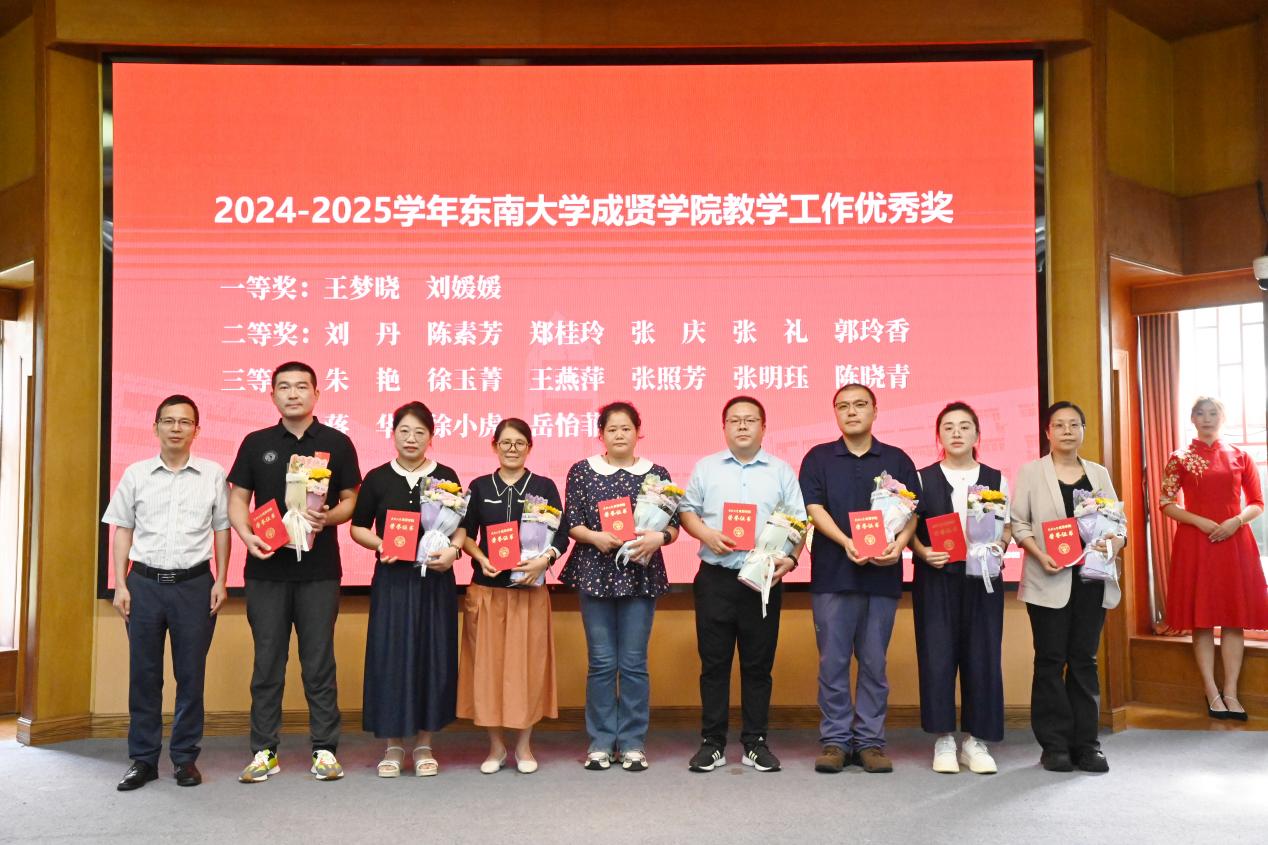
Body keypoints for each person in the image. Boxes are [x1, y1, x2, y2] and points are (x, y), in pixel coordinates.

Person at [227, 361, 361, 783]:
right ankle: (264, 750)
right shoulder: (256, 443)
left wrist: (329, 518)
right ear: (272, 395)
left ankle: (324, 749)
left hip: (319, 572)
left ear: (316, 394)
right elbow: (238, 498)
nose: (293, 394)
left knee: (318, 662)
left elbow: (350, 500)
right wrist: (246, 536)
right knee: (267, 662)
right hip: (266, 569)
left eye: (302, 386)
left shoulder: (337, 442)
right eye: (284, 387)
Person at [105, 395, 230, 791]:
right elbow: (122, 529)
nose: (176, 428)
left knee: (190, 675)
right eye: (169, 421)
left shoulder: (213, 474)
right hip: (142, 585)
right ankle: (143, 760)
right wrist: (120, 583)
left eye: (185, 422)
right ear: (155, 427)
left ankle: (184, 758)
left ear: (197, 430)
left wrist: (221, 580)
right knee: (144, 675)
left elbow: (222, 530)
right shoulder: (136, 474)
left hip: (194, 586)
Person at [679, 396, 805, 774]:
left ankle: (755, 742)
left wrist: (791, 559)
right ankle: (712, 743)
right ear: (724, 428)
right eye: (735, 420)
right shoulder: (706, 468)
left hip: (762, 580)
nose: (743, 426)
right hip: (716, 578)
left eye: (751, 420)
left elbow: (799, 522)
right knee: (714, 665)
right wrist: (706, 534)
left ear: (764, 427)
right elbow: (687, 511)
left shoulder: (781, 471)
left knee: (758, 666)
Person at [800, 383, 921, 774]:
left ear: (874, 410)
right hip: (833, 574)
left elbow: (912, 512)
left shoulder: (897, 459)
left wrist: (900, 544)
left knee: (873, 663)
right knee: (832, 663)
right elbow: (814, 507)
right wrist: (845, 541)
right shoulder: (818, 457)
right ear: (835, 413)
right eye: (843, 406)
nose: (851, 412)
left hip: (882, 577)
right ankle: (836, 741)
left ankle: (870, 742)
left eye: (860, 405)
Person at [560, 401, 678, 772]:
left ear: (638, 432)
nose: (619, 435)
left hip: (640, 574)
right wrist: (595, 536)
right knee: (601, 662)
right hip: (595, 571)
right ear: (601, 434)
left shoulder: (656, 474)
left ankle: (631, 743)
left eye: (626, 428)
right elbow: (572, 523)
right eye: (612, 429)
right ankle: (599, 742)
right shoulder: (582, 471)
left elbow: (673, 526)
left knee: (633, 663)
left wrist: (659, 538)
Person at [349, 402, 464, 777]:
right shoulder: (378, 478)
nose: (411, 438)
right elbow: (358, 527)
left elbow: (461, 526)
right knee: (391, 658)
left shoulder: (445, 477)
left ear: (431, 436)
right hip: (393, 582)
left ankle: (425, 744)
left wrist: (453, 551)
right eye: (404, 431)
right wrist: (381, 543)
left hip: (434, 582)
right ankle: (394, 745)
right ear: (393, 434)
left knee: (432, 656)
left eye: (419, 432)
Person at [1011, 401, 1124, 773]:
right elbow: (1019, 524)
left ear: (1083, 431)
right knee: (1049, 660)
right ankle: (1055, 745)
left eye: (1074, 424)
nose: (1067, 431)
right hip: (1048, 577)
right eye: (1059, 425)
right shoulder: (1031, 472)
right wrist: (1039, 554)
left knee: (1084, 660)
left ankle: (1087, 745)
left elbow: (1117, 522)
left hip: (1091, 579)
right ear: (1048, 432)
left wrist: (1115, 542)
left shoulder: (1098, 473)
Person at [458, 418, 568, 774]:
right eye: (505, 442)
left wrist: (544, 561)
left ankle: (523, 746)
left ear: (529, 447)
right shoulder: (478, 486)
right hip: (487, 592)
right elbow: (465, 533)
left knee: (527, 668)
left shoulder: (543, 487)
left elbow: (561, 536)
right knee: (487, 670)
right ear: (494, 446)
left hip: (529, 592)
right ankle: (495, 747)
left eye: (520, 443)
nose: (512, 449)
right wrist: (480, 558)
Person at [909, 402, 1010, 775]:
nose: (956, 432)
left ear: (977, 434)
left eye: (965, 426)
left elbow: (1008, 526)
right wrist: (922, 552)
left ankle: (976, 741)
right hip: (936, 578)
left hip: (983, 580)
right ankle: (943, 739)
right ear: (938, 435)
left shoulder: (996, 478)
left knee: (983, 656)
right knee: (937, 656)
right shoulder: (922, 478)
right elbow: (907, 528)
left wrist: (999, 546)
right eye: (948, 426)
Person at [1161, 396, 1267, 720]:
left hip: (1235, 540)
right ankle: (1211, 691)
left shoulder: (1240, 456)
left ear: (1223, 418)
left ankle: (1231, 692)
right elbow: (1166, 503)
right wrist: (1199, 521)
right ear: (1192, 418)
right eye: (1200, 413)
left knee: (1234, 617)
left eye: (1213, 413)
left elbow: (1257, 502)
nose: (1207, 418)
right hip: (1196, 541)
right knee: (1202, 618)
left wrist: (1235, 521)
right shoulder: (1179, 457)